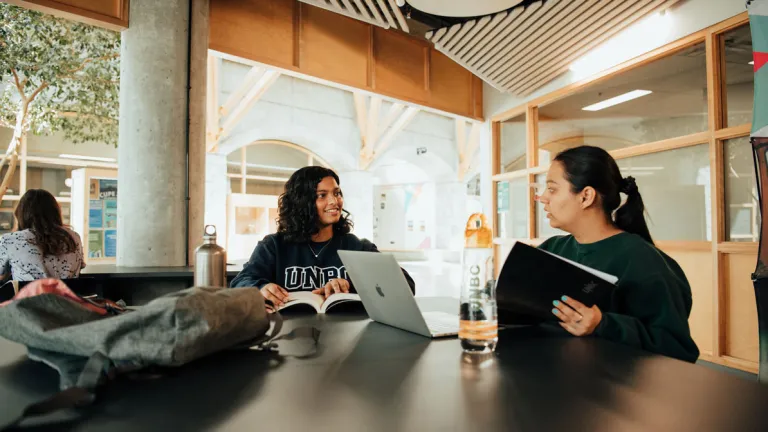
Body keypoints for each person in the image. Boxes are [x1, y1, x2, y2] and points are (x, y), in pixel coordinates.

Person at [536, 145, 699, 363]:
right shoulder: (552, 250)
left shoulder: (644, 262)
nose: (542, 197)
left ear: (586, 197)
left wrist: (603, 324)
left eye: (552, 189)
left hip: (616, 390)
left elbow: (677, 348)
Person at [231, 166, 415, 308]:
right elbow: (240, 282)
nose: (334, 201)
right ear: (302, 202)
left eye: (337, 193)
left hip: (348, 339)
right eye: (322, 195)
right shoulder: (274, 245)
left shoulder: (357, 246)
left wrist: (351, 284)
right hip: (288, 337)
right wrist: (261, 288)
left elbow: (407, 285)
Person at [0, 189, 85, 281]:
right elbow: (80, 266)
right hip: (66, 294)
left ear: (21, 214)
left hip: (30, 295)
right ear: (55, 212)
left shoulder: (11, 240)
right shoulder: (74, 237)